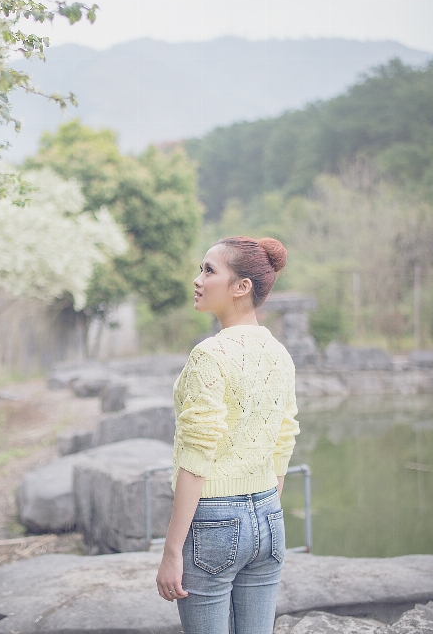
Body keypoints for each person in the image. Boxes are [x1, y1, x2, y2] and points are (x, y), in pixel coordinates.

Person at [155, 236, 300, 634]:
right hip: (270, 515)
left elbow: (197, 454)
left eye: (209, 270)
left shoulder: (210, 355)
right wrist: (264, 511)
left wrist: (171, 552)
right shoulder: (279, 354)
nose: (197, 280)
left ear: (242, 287)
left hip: (213, 520)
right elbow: (283, 441)